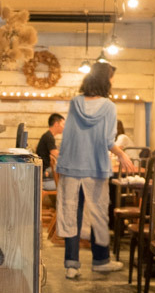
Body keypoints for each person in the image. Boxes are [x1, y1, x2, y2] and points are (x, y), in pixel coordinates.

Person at [55, 62, 138, 279]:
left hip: (72, 167)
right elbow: (106, 140)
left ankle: (71, 265)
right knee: (98, 213)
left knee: (71, 213)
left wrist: (62, 164)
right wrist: (121, 153)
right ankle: (100, 260)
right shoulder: (109, 106)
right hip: (95, 168)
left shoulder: (75, 103)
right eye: (110, 78)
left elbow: (69, 137)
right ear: (105, 80)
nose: (112, 82)